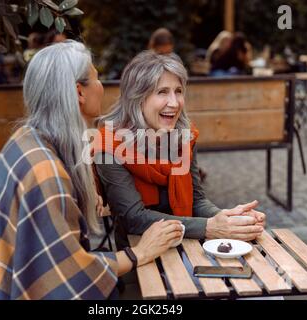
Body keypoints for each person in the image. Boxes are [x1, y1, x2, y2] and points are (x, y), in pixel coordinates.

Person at [0, 40, 183, 300]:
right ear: (79, 92)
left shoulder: (25, 139)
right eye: (96, 78)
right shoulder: (45, 172)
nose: (102, 86)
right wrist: (140, 252)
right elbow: (69, 277)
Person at [94, 51, 265, 251]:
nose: (174, 103)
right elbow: (135, 219)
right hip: (139, 256)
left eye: (178, 91)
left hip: (188, 246)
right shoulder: (110, 147)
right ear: (137, 98)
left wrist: (228, 219)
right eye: (162, 92)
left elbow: (196, 200)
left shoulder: (184, 136)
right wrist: (210, 227)